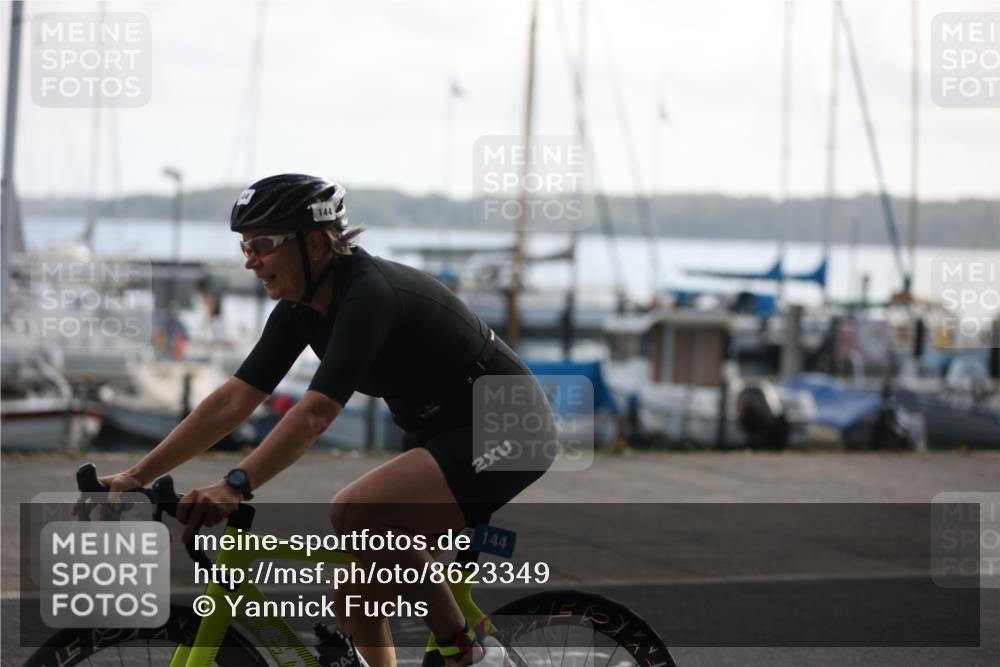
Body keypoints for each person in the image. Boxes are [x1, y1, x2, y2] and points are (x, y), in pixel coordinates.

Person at [100, 174, 556, 667]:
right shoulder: (301, 309)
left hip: (505, 427)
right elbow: (234, 400)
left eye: (262, 245)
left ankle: (470, 654)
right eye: (244, 246)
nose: (249, 259)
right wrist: (138, 474)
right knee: (355, 602)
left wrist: (236, 483)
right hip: (438, 432)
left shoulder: (370, 295)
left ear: (316, 243)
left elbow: (317, 412)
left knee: (356, 511)